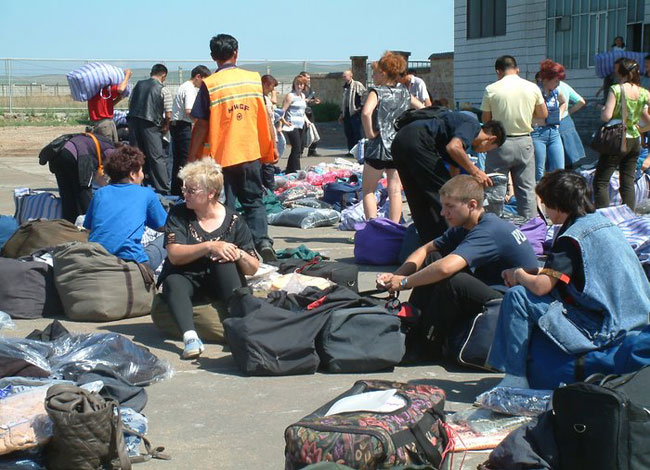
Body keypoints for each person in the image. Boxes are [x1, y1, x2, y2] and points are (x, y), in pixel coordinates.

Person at [487, 170, 650, 389]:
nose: (544, 209)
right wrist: (534, 271)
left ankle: (514, 378)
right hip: (634, 318)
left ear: (556, 204)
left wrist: (518, 275)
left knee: (518, 296)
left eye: (544, 203)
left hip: (604, 329)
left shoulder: (570, 239)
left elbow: (541, 287)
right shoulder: (604, 224)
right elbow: (574, 271)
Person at [377, 175, 538, 361]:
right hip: (494, 289)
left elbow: (445, 269)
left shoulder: (488, 231)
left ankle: (427, 346)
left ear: (471, 205)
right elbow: (426, 249)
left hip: (513, 303)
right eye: (443, 205)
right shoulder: (467, 225)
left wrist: (405, 283)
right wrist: (395, 278)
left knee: (453, 281)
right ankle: (414, 325)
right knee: (433, 258)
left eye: (450, 206)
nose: (444, 212)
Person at [188, 33, 276, 263]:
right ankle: (263, 242)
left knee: (223, 204)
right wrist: (270, 147)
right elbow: (264, 116)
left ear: (212, 57)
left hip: (221, 156)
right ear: (236, 53)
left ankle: (230, 246)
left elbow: (201, 125)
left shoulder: (210, 84)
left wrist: (192, 158)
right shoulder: (253, 79)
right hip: (250, 152)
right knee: (254, 201)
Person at [160, 158, 260, 359]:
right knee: (172, 280)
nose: (184, 194)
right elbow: (174, 254)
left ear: (211, 193)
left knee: (226, 262)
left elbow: (253, 268)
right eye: (184, 189)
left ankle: (241, 328)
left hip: (221, 283)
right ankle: (190, 337)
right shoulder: (179, 214)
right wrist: (209, 246)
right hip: (187, 277)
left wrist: (238, 253)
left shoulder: (234, 220)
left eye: (191, 191)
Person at [392, 109, 505, 243]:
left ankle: (429, 244)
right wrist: (476, 172)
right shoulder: (472, 125)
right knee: (446, 199)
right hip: (420, 141)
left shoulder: (455, 129)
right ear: (491, 139)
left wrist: (457, 188)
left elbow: (454, 168)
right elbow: (454, 147)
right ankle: (455, 241)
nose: (484, 152)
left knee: (418, 200)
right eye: (489, 149)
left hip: (400, 141)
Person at [481, 55, 547, 219]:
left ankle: (493, 226)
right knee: (526, 190)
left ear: (499, 71)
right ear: (516, 69)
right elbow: (543, 114)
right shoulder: (532, 87)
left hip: (499, 143)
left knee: (495, 191)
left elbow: (485, 119)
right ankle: (529, 227)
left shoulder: (491, 89)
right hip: (524, 141)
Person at [361, 52, 423, 223]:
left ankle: (373, 227)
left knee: (368, 191)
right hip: (398, 146)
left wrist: (370, 133)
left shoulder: (377, 92)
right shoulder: (404, 92)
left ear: (383, 72)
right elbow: (422, 108)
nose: (373, 76)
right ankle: (394, 228)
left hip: (378, 146)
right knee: (395, 191)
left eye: (374, 72)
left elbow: (366, 113)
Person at [83, 145, 167, 265]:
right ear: (133, 174)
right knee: (170, 235)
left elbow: (88, 229)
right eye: (141, 171)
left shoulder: (100, 193)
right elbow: (164, 226)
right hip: (131, 262)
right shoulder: (146, 194)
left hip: (97, 259)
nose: (142, 175)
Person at [594, 58, 650, 210]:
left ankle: (604, 217)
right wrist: (642, 129)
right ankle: (629, 216)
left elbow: (607, 116)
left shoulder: (616, 89)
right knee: (627, 181)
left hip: (617, 139)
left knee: (601, 181)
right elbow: (646, 118)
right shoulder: (644, 92)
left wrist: (603, 109)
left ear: (621, 72)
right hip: (634, 140)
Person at [39, 133, 115, 222]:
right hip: (73, 155)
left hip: (57, 156)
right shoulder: (111, 149)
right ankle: (86, 225)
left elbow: (100, 176)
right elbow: (114, 170)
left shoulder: (96, 142)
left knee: (67, 194)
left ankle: (69, 224)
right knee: (83, 192)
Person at [128, 64, 173, 195]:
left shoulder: (137, 86)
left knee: (136, 155)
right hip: (151, 124)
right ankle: (163, 187)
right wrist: (166, 125)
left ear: (151, 72)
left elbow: (131, 103)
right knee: (156, 156)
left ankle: (135, 183)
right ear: (163, 75)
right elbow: (168, 113)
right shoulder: (163, 89)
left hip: (134, 121)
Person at [170, 65, 211, 196]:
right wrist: (201, 123)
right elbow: (189, 111)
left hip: (177, 125)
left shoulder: (184, 86)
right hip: (183, 126)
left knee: (177, 160)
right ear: (198, 77)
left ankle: (176, 189)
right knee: (186, 159)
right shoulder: (189, 89)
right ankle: (184, 190)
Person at [532, 60, 567, 181]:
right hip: (537, 132)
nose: (558, 84)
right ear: (546, 79)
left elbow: (564, 102)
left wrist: (559, 116)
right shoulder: (535, 91)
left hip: (553, 131)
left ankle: (556, 197)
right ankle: (539, 199)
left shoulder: (556, 91)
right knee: (539, 171)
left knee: (559, 169)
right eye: (556, 81)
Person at [87, 69, 131, 143]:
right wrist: (127, 75)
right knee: (109, 148)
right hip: (105, 124)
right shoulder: (105, 90)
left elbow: (105, 106)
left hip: (97, 123)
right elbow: (121, 88)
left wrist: (118, 99)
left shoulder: (93, 91)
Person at [281, 75, 309, 174]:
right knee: (296, 147)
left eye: (301, 84)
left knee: (299, 147)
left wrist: (307, 121)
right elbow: (282, 111)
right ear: (294, 84)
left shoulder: (303, 96)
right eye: (297, 84)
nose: (299, 86)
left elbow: (302, 111)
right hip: (291, 125)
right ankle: (297, 170)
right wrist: (283, 122)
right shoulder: (290, 96)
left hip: (301, 124)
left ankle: (289, 169)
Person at [557, 79, 587, 168]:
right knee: (569, 160)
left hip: (556, 124)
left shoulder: (545, 87)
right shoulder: (564, 85)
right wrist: (568, 112)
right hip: (566, 121)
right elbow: (581, 101)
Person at [261, 74, 282, 190]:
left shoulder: (265, 97)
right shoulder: (261, 98)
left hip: (270, 132)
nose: (272, 90)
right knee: (268, 164)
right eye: (272, 87)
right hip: (266, 135)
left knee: (268, 165)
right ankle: (270, 188)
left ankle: (269, 187)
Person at [338, 70, 366, 153]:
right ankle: (351, 151)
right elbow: (344, 101)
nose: (344, 78)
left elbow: (365, 95)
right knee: (348, 133)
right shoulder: (345, 87)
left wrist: (360, 107)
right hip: (347, 112)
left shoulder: (357, 85)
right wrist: (341, 114)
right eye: (343, 76)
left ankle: (360, 152)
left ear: (351, 76)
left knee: (357, 133)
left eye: (345, 76)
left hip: (355, 112)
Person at [299, 71, 322, 157]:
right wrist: (305, 100)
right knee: (302, 132)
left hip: (309, 112)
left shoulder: (309, 88)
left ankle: (312, 150)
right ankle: (300, 151)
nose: (309, 79)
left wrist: (314, 101)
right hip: (301, 112)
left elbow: (311, 99)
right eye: (307, 78)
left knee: (313, 129)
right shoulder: (299, 87)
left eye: (309, 78)